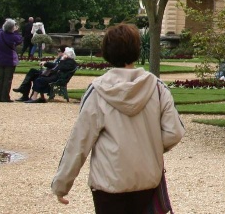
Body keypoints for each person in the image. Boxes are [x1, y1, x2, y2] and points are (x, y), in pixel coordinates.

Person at [52, 23, 184, 212]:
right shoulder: (157, 88)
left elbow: (80, 141)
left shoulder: (97, 91)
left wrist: (61, 185)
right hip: (147, 180)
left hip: (109, 181)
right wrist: (149, 147)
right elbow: (174, 132)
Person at [0, 18, 23, 103]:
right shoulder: (12, 36)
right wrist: (16, 31)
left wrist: (7, 23)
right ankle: (5, 97)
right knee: (8, 79)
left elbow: (0, 29)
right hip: (9, 60)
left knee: (0, 78)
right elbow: (20, 40)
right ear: (12, 28)